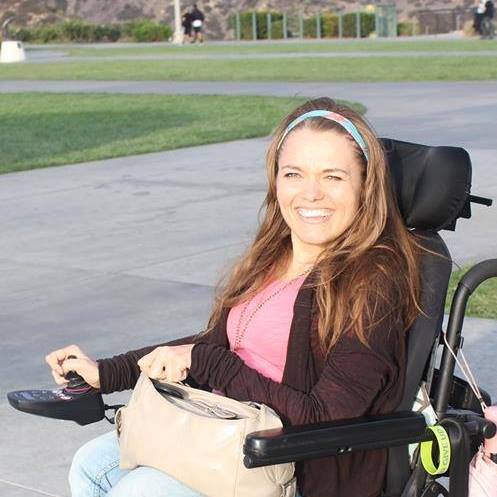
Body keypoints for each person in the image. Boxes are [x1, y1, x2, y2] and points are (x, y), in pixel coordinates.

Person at [46, 97, 424, 497]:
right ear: (276, 181)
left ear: (365, 186)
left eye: (333, 177)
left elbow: (324, 416)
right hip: (225, 427)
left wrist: (209, 362)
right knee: (92, 465)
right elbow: (212, 345)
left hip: (291, 465)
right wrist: (106, 373)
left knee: (140, 490)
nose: (311, 193)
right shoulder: (273, 257)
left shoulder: (373, 283)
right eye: (294, 173)